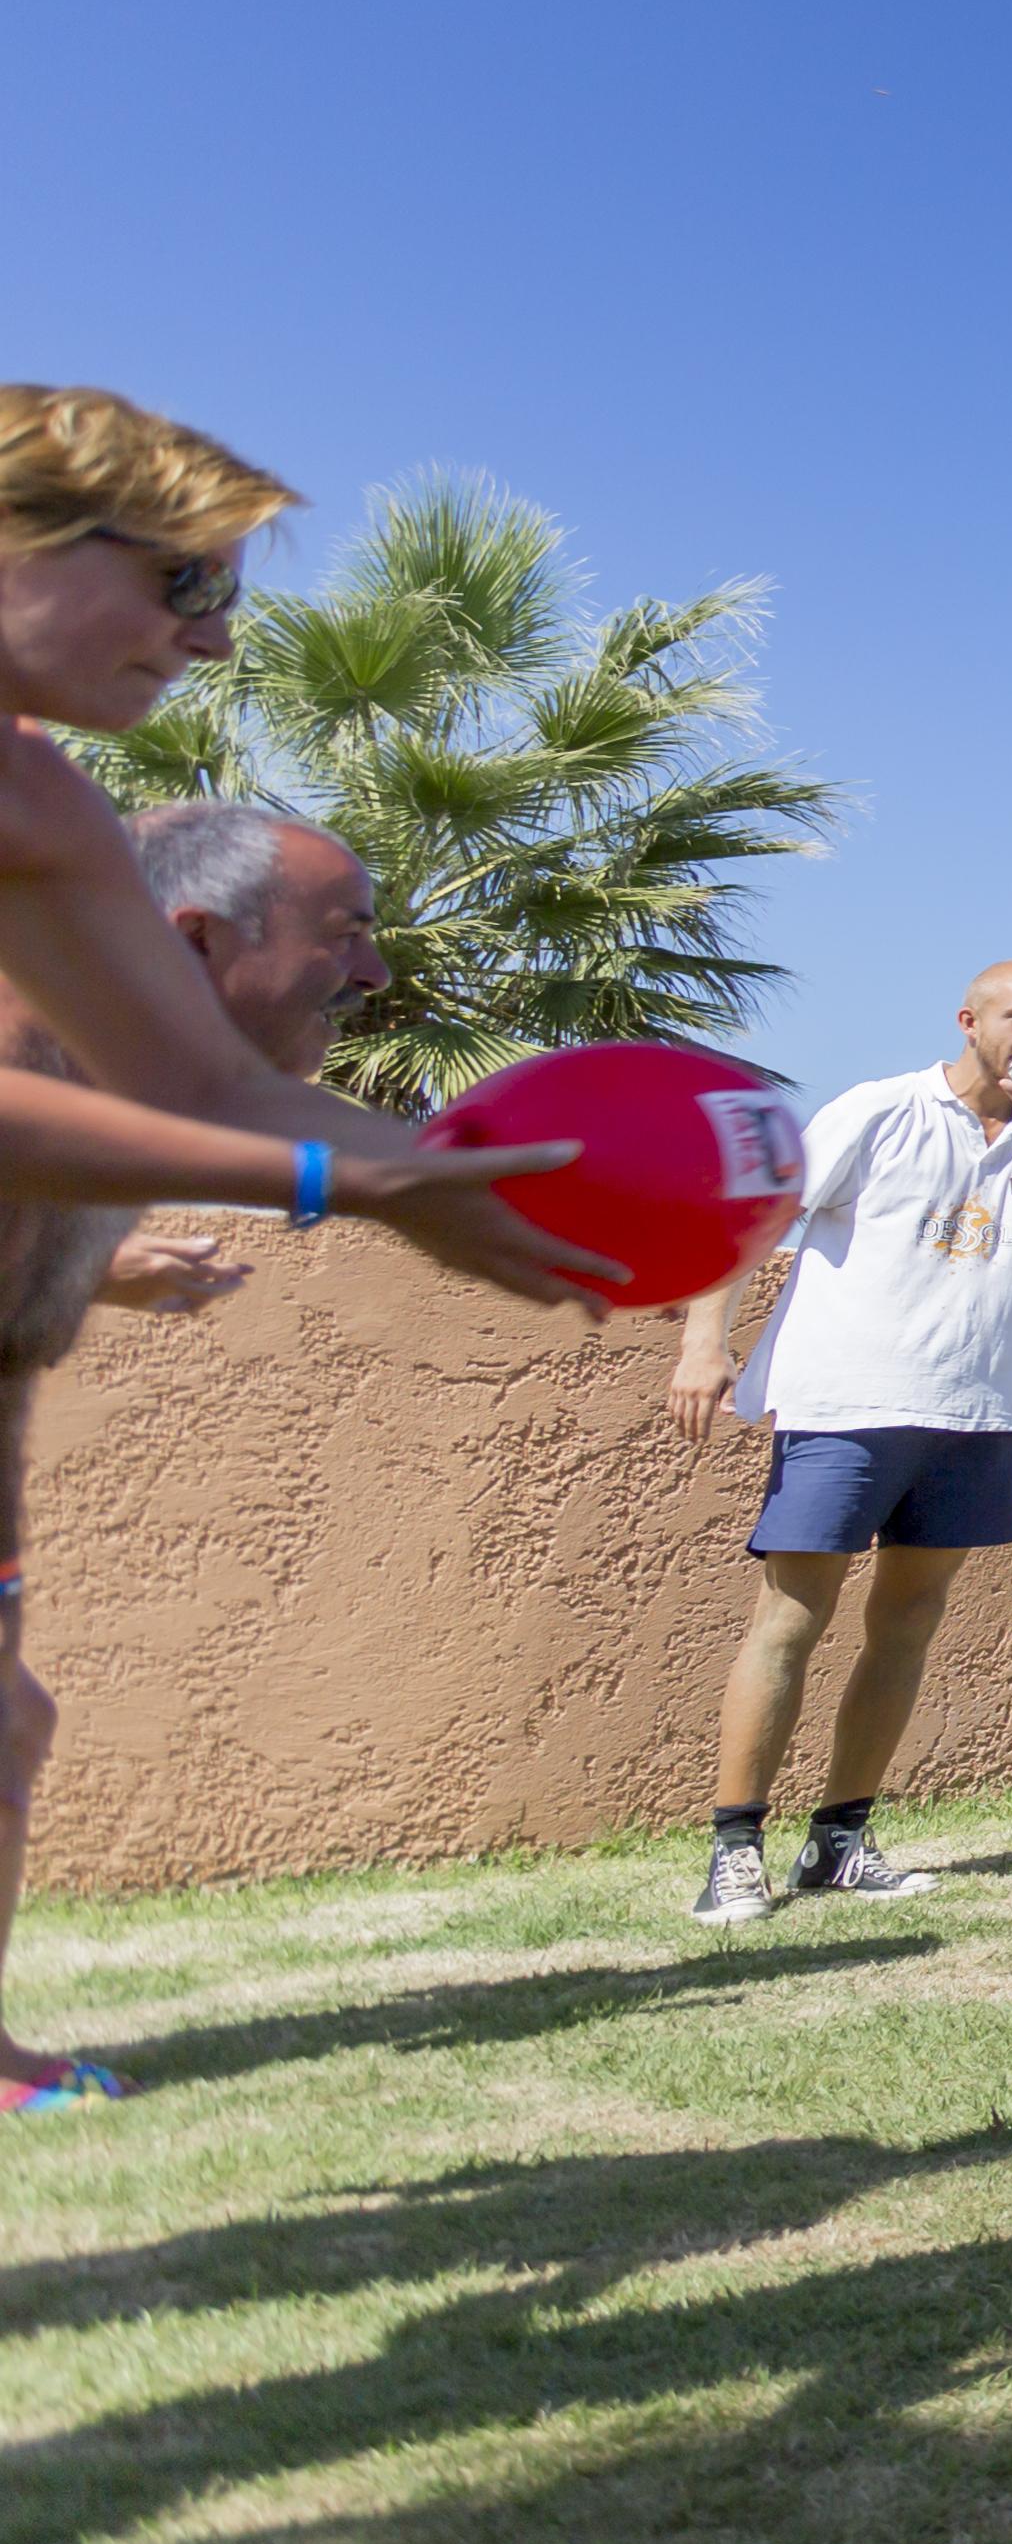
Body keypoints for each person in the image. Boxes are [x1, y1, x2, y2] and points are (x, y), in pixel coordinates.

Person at [0, 387, 592, 1286]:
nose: (215, 639)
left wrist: (453, 1174)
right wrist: (335, 1177)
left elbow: (215, 1088)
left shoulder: (40, 799)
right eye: (192, 583)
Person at [0, 799, 392, 2111]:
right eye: (347, 932)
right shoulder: (34, 1035)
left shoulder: (113, 1062)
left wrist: (97, 1268)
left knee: (9, 1720)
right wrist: (387, 1182)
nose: (373, 974)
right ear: (198, 938)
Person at [662, 962, 1012, 1925]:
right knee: (791, 1619)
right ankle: (735, 1848)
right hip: (845, 1403)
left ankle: (839, 1840)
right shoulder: (878, 1110)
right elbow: (755, 1217)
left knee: (908, 1624)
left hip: (973, 1410)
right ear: (969, 1019)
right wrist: (706, 1343)